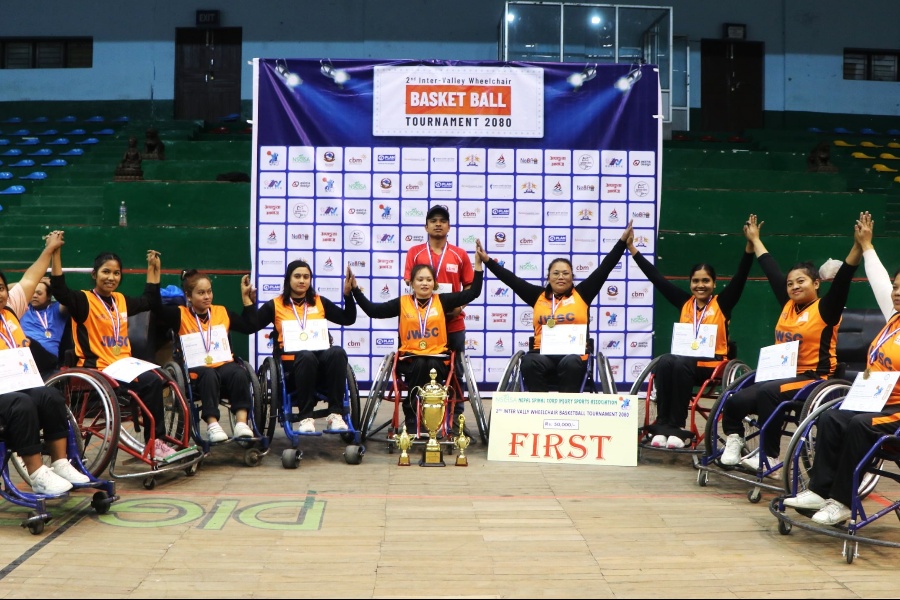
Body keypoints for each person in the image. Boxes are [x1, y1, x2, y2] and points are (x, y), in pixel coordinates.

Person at [720, 214, 861, 471]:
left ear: (816, 283)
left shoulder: (826, 308)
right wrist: (755, 239)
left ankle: (769, 456)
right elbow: (770, 268)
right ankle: (735, 438)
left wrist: (858, 247)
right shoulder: (788, 305)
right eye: (790, 283)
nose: (794, 286)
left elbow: (843, 281)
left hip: (814, 378)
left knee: (768, 392)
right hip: (780, 374)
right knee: (734, 398)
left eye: (801, 281)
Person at [784, 212, 900, 525]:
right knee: (832, 417)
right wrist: (867, 246)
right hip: (877, 400)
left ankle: (843, 501)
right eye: (896, 287)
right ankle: (819, 490)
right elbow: (879, 282)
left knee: (860, 425)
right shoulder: (894, 318)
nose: (897, 292)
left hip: (897, 410)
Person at [627, 223, 754, 449]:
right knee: (665, 360)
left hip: (712, 366)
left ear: (714, 284)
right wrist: (632, 249)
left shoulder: (722, 303)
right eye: (695, 281)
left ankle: (677, 426)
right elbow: (657, 278)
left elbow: (741, 277)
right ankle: (662, 424)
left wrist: (750, 247)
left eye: (705, 281)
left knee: (680, 362)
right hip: (683, 364)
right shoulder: (685, 303)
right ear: (690, 283)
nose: (700, 285)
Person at [49, 245, 174, 459]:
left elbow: (150, 301)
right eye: (106, 272)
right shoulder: (83, 300)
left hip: (122, 365)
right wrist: (55, 254)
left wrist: (153, 269)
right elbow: (60, 291)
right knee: (151, 382)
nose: (111, 277)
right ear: (94, 274)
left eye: (116, 273)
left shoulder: (120, 301)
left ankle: (158, 440)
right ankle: (156, 442)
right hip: (97, 369)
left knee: (161, 377)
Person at [474, 225, 629, 393]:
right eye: (556, 273)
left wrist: (622, 242)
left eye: (565, 273)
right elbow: (511, 280)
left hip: (573, 355)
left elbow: (605, 268)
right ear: (548, 277)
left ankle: (566, 406)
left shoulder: (582, 294)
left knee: (571, 363)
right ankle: (539, 405)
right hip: (542, 354)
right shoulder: (537, 296)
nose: (561, 277)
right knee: (529, 362)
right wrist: (487, 261)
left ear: (572, 277)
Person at [351, 248, 484, 435]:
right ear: (412, 283)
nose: (424, 283)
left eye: (429, 280)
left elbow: (473, 292)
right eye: (420, 279)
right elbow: (373, 310)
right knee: (421, 363)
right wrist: (355, 290)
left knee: (430, 364)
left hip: (438, 358)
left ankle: (433, 415)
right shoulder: (402, 302)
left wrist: (478, 264)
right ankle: (412, 415)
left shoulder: (442, 300)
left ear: (434, 283)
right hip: (410, 358)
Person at [0, 230, 91, 494]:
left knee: (50, 395)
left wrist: (50, 250)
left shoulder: (11, 310)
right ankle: (37, 473)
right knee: (23, 404)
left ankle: (60, 463)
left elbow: (31, 277)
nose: (0, 294)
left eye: (1, 288)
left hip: (19, 384)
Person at [154, 270, 258, 443]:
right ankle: (212, 424)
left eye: (209, 291)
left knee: (239, 372)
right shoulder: (180, 314)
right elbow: (156, 308)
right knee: (209, 374)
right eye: (201, 293)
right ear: (189, 296)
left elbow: (250, 326)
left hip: (222, 364)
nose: (207, 296)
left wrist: (247, 300)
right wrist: (154, 273)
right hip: (196, 369)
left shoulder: (222, 312)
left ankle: (241, 423)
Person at [254, 260, 356, 434]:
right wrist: (248, 303)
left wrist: (348, 295)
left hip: (321, 366)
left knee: (337, 352)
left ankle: (335, 414)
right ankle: (306, 417)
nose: (302, 280)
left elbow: (348, 318)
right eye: (297, 276)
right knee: (306, 356)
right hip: (291, 369)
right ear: (288, 279)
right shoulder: (276, 305)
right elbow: (250, 325)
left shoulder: (319, 302)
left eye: (306, 277)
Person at [404, 205, 475, 434]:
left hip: (453, 323)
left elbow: (470, 287)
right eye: (433, 220)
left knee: (455, 373)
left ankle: (455, 421)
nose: (438, 224)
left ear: (449, 226)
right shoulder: (415, 253)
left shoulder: (459, 254)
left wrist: (459, 307)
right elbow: (409, 283)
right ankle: (416, 418)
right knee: (418, 369)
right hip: (421, 326)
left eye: (442, 221)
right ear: (426, 226)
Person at [20, 278, 68, 377]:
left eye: (39, 293)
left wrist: (54, 286)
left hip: (48, 358)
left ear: (49, 296)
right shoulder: (23, 308)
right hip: (24, 355)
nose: (34, 295)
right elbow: (8, 290)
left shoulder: (57, 309)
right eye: (32, 292)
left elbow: (68, 299)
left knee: (28, 341)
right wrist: (30, 283)